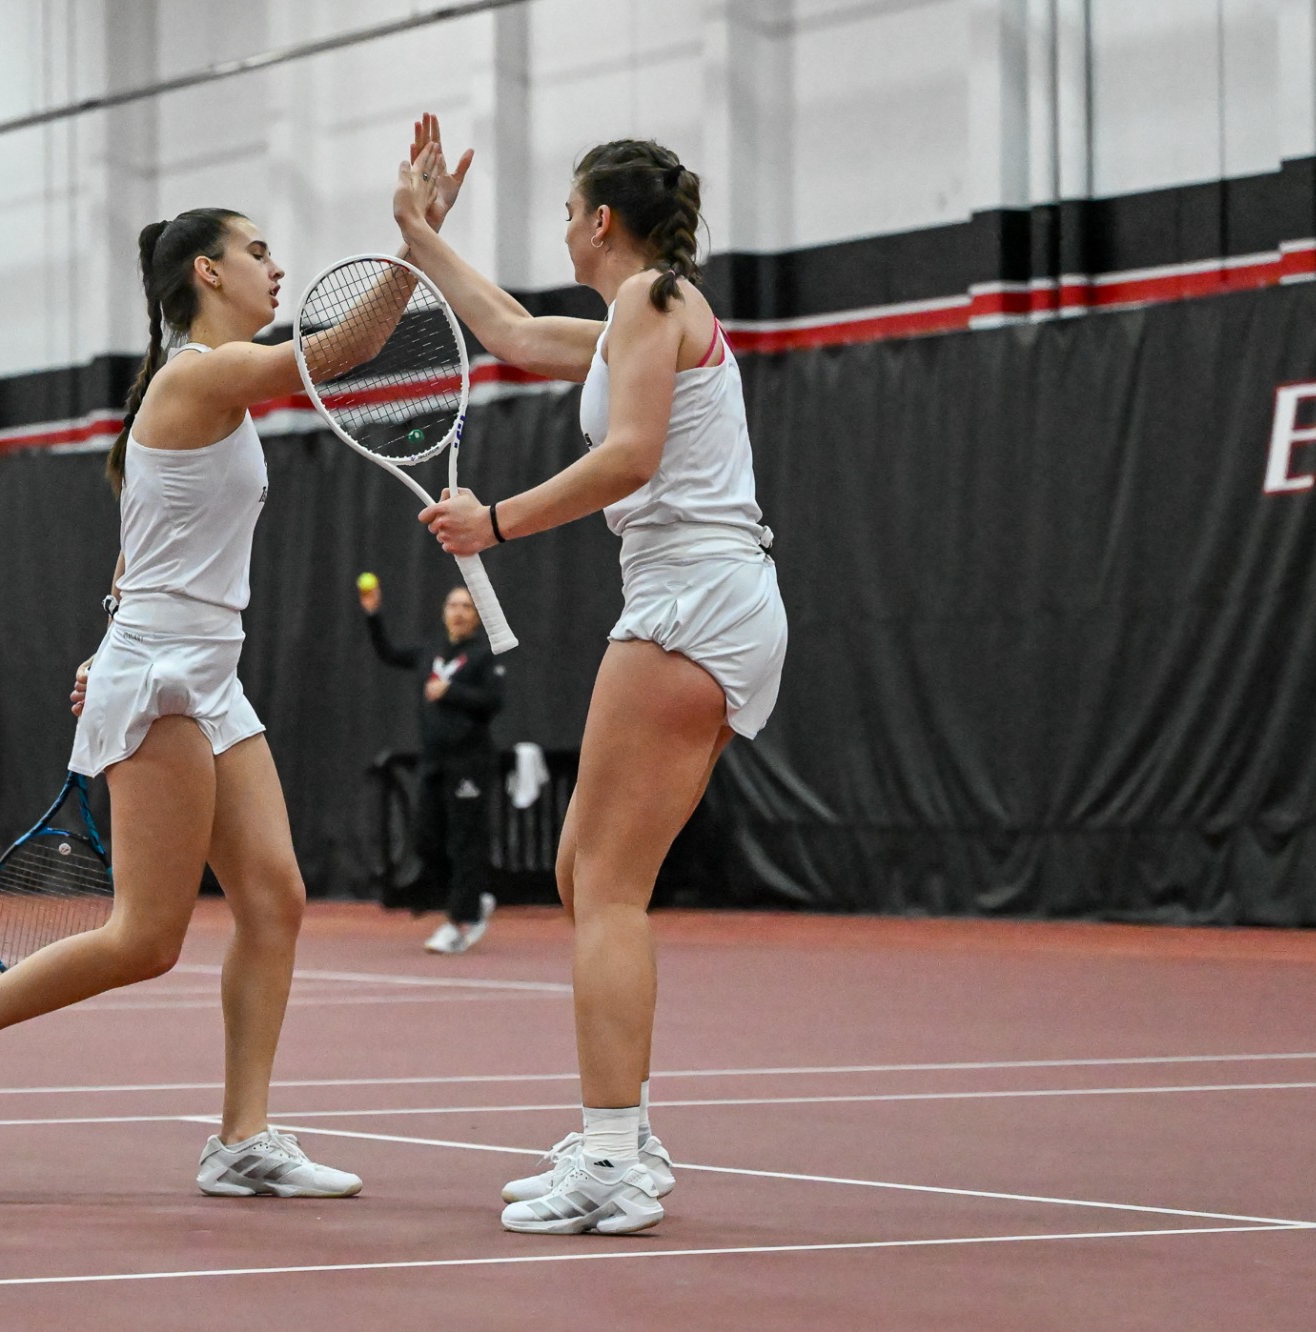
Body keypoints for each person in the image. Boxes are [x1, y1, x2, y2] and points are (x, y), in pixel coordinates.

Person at [0, 122, 474, 1200]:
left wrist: (107, 632)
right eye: (256, 251)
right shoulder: (201, 377)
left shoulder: (197, 389)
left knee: (275, 899)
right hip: (164, 677)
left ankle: (241, 1141)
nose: (276, 267)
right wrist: (413, 238)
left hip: (201, 670)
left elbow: (143, 539)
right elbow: (340, 352)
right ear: (207, 273)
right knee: (147, 938)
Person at [393, 120, 786, 1235]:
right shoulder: (633, 319)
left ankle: (611, 1157)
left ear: (601, 221)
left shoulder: (656, 301)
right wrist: (418, 234)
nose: (562, 227)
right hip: (705, 598)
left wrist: (495, 521)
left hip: (690, 598)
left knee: (605, 886)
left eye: (568, 212)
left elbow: (630, 456)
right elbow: (512, 332)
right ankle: (628, 1134)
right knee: (582, 872)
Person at [358, 579, 505, 953]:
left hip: (470, 764)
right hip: (433, 762)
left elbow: (493, 701)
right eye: (453, 605)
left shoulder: (484, 657)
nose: (459, 613)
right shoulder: (430, 651)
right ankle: (470, 900)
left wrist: (450, 691)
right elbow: (389, 653)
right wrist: (373, 614)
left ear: (477, 616)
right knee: (426, 839)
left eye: (466, 607)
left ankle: (461, 921)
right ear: (444, 612)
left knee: (465, 842)